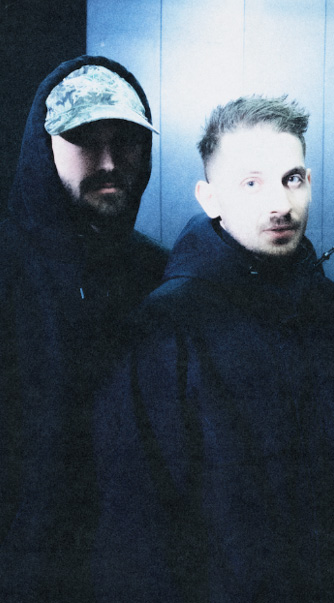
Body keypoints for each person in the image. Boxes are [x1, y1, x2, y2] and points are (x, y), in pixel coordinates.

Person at [93, 96, 334, 601]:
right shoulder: (168, 322)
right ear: (210, 198)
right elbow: (140, 517)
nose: (280, 204)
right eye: (251, 183)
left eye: (291, 179)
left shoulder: (325, 304)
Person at [0, 55, 166, 601]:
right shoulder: (9, 272)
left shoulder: (159, 276)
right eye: (85, 141)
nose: (110, 161)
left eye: (127, 141)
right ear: (43, 147)